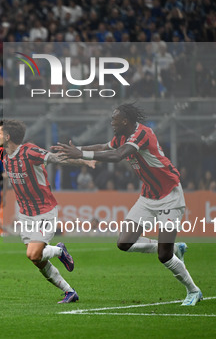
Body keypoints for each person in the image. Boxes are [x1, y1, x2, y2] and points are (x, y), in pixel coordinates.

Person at [55, 103, 202, 306]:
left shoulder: (142, 133)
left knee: (164, 256)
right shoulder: (122, 136)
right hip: (148, 196)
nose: (111, 122)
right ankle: (175, 248)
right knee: (124, 242)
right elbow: (105, 148)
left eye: (115, 119)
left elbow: (117, 156)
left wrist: (81, 155)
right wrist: (77, 149)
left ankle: (193, 290)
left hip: (170, 195)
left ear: (125, 120)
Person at [0, 119, 94, 303]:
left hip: (44, 211)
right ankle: (69, 291)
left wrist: (84, 161)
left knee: (33, 254)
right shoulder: (3, 153)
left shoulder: (30, 151)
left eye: (0, 133)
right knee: (37, 259)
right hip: (26, 213)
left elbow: (56, 158)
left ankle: (59, 251)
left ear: (8, 136)